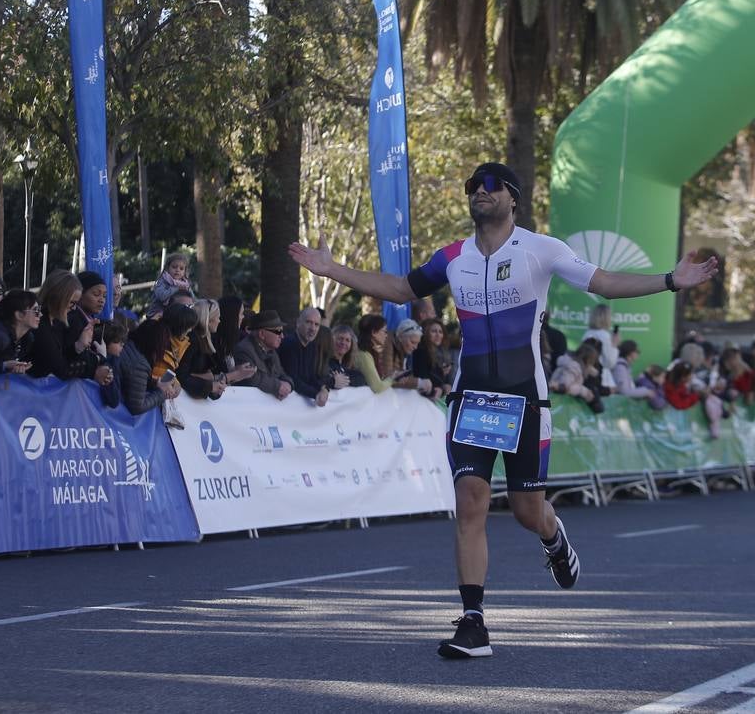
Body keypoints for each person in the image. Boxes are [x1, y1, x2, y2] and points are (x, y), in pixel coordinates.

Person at [288, 160, 718, 659]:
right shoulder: (454, 256)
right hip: (472, 398)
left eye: (492, 185)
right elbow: (402, 289)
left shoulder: (541, 249)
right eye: (473, 185)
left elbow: (602, 282)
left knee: (525, 511)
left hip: (525, 399)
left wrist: (669, 279)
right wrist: (331, 269)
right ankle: (474, 623)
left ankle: (554, 538)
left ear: (513, 198)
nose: (480, 192)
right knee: (470, 502)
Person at [279, 306, 348, 406]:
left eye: (316, 325)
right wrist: (316, 393)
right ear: (298, 323)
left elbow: (313, 378)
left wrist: (324, 388)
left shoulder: (312, 347)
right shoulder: (289, 344)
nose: (313, 328)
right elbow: (294, 380)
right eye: (308, 322)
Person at [120, 317, 183, 416]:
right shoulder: (140, 364)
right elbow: (136, 407)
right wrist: (162, 392)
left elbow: (133, 382)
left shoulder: (131, 347)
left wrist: (155, 383)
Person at [233, 309, 293, 400]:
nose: (282, 336)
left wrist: (288, 384)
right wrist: (277, 386)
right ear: (261, 334)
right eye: (278, 332)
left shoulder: (271, 351)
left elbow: (281, 373)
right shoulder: (244, 350)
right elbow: (252, 379)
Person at [0, 289, 39, 374]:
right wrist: (4, 366)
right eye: (36, 311)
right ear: (19, 315)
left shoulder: (27, 338)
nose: (40, 314)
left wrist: (13, 368)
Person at [147, 252, 193, 319]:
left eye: (181, 268)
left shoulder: (185, 284)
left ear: (185, 271)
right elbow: (161, 296)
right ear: (167, 268)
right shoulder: (162, 280)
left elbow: (192, 298)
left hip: (175, 314)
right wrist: (176, 288)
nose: (177, 270)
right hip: (157, 313)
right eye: (174, 267)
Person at [331, 323, 364, 388]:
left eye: (347, 340)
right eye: (340, 338)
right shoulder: (327, 361)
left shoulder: (346, 365)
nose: (343, 343)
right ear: (331, 339)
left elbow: (361, 379)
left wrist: (344, 379)